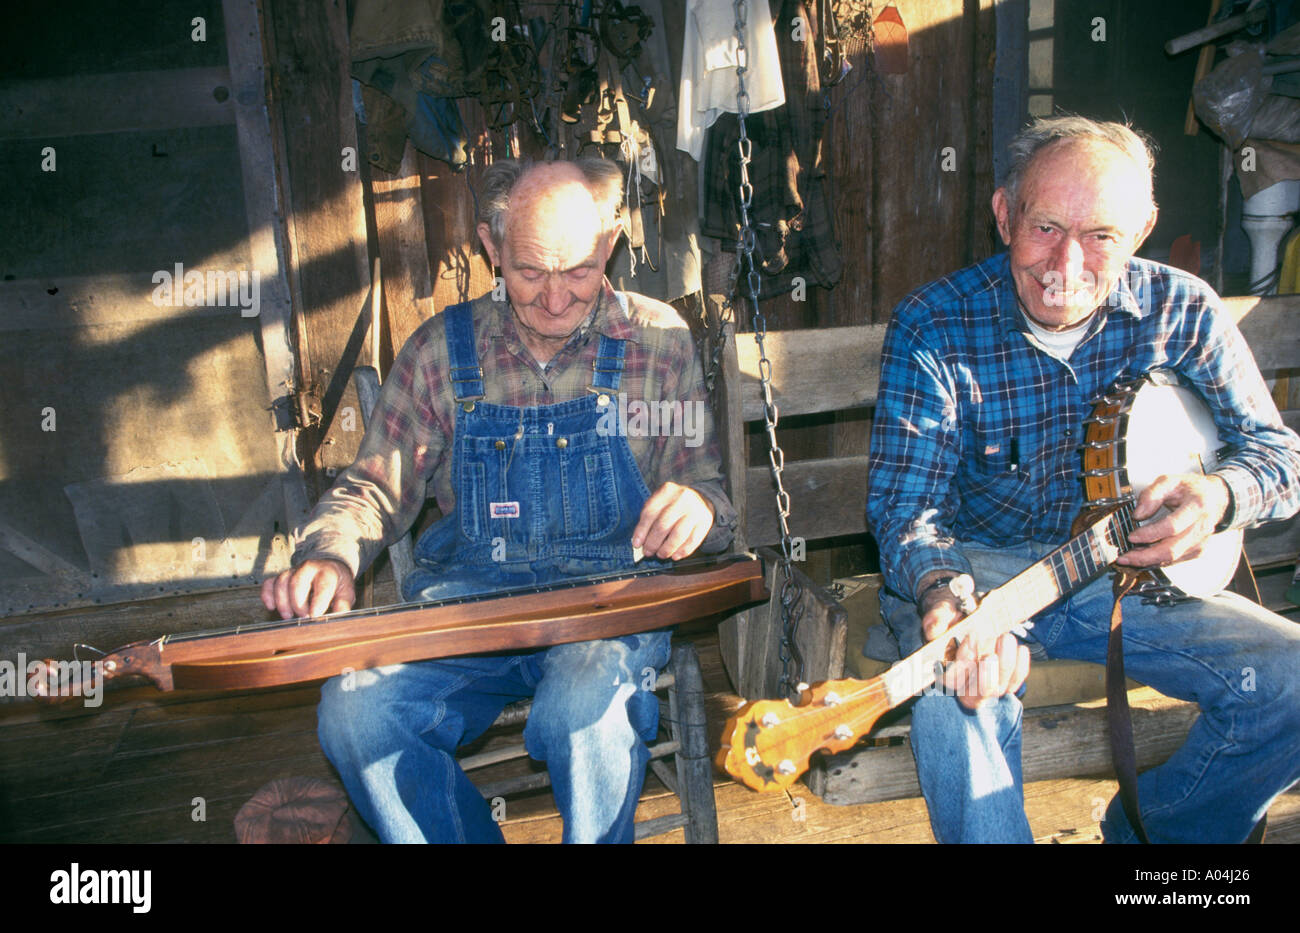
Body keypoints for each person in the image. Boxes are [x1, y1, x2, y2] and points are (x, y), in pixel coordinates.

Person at [260, 157, 737, 843]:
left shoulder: (656, 345)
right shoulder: (438, 352)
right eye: (529, 272)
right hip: (467, 612)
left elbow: (710, 496)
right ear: (491, 247)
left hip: (605, 616)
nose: (552, 300)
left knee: (585, 705)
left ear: (609, 245)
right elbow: (372, 487)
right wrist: (330, 552)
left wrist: (695, 508)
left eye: (577, 272)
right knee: (355, 712)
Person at [866, 115, 1300, 844]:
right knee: (958, 696)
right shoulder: (935, 325)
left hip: (1133, 585)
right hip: (982, 575)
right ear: (1005, 214)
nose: (1068, 262)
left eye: (1102, 234)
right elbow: (909, 509)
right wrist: (943, 591)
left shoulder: (1184, 310)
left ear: (1143, 229)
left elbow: (1279, 456)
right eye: (1045, 227)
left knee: (1291, 681)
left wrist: (1219, 495)